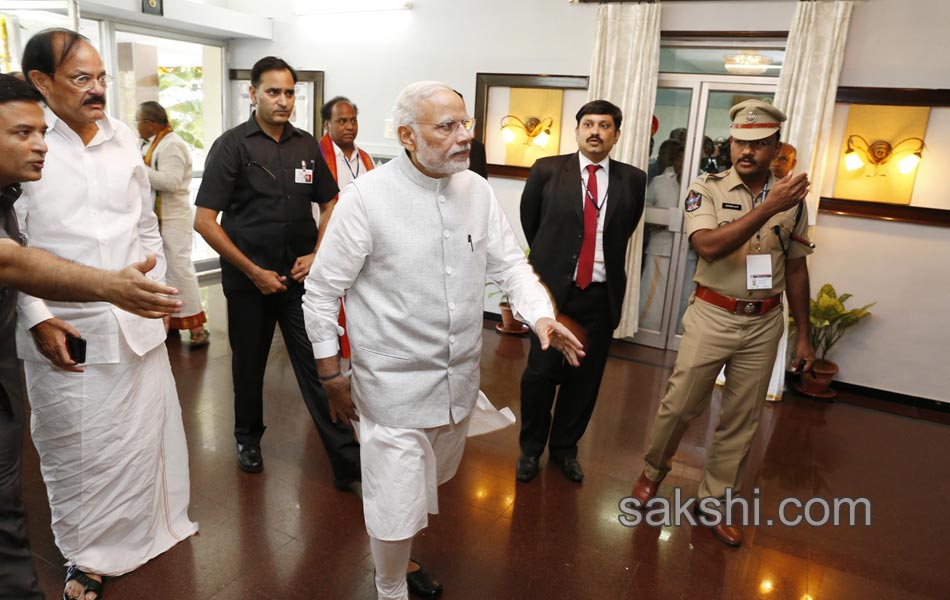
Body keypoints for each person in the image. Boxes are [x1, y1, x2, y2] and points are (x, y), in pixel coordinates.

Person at [303, 81, 584, 600]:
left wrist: (541, 317)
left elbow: (511, 267)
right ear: (407, 135)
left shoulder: (475, 190)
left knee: (424, 488)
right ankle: (389, 588)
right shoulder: (366, 200)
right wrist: (329, 376)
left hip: (456, 382)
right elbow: (320, 294)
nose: (465, 137)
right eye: (447, 126)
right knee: (393, 499)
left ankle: (402, 562)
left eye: (467, 124)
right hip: (391, 390)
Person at [18, 29, 198, 599]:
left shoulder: (124, 139)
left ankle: (152, 530)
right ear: (41, 83)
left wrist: (163, 292)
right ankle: (86, 554)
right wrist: (37, 316)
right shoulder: (26, 144)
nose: (97, 90)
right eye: (81, 79)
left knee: (143, 435)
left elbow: (144, 222)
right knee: (78, 445)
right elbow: (11, 246)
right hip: (69, 326)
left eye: (101, 79)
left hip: (138, 316)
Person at [630, 100, 815, 548]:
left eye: (758, 143)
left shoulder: (791, 200)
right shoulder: (706, 188)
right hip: (713, 313)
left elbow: (796, 269)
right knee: (680, 405)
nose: (746, 151)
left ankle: (713, 501)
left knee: (742, 418)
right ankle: (653, 471)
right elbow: (709, 246)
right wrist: (768, 207)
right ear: (731, 142)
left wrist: (804, 336)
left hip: (764, 322)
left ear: (775, 147)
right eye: (740, 142)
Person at [194, 56, 362, 487]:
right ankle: (247, 439)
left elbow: (331, 204)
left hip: (298, 281)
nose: (284, 100)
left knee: (318, 366)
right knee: (248, 368)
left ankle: (347, 461)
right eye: (274, 92)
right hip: (249, 282)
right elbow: (205, 221)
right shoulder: (232, 145)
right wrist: (252, 271)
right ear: (252, 94)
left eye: (290, 93)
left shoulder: (306, 145)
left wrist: (318, 254)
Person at [516, 99, 646, 484]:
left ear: (616, 134)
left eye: (604, 126)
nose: (595, 131)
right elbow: (531, 223)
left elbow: (627, 226)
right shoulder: (547, 170)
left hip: (600, 296)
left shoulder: (633, 179)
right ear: (576, 131)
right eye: (588, 124)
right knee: (539, 376)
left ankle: (564, 450)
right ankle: (530, 449)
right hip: (553, 296)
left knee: (584, 379)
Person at [137, 100, 209, 347]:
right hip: (158, 218)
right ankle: (172, 322)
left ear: (150, 123)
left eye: (138, 121)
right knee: (163, 271)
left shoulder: (172, 145)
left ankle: (197, 327)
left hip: (174, 218)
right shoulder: (151, 143)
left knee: (180, 270)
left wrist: (139, 169)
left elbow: (172, 182)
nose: (136, 126)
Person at [315, 95, 375, 358]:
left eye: (353, 120)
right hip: (328, 244)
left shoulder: (366, 158)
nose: (349, 126)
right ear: (327, 124)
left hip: (361, 246)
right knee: (330, 308)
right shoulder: (317, 156)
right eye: (342, 121)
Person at [638, 141, 684, 331]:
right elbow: (645, 209)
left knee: (682, 293)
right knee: (654, 293)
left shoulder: (701, 182)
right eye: (680, 158)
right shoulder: (659, 182)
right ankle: (648, 328)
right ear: (675, 160)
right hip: (660, 245)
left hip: (686, 250)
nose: (683, 162)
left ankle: (676, 331)